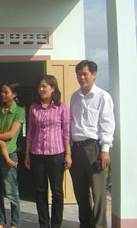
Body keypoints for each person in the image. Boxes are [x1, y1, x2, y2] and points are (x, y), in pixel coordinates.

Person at [69, 60, 115, 228]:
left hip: (94, 148)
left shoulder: (103, 96)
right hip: (77, 149)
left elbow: (107, 124)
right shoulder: (75, 96)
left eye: (85, 74)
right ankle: (85, 224)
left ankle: (100, 225)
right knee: (81, 193)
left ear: (94, 74)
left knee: (99, 192)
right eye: (79, 74)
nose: (81, 78)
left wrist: (105, 150)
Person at [24, 75, 72, 228]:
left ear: (53, 88)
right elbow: (30, 132)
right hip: (37, 154)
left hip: (56, 154)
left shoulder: (61, 107)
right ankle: (44, 224)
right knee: (40, 192)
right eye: (39, 86)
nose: (41, 89)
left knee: (57, 192)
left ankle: (56, 224)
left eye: (44, 86)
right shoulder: (33, 108)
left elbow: (66, 132)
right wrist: (27, 154)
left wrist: (68, 154)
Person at [0, 81, 25, 228]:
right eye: (2, 91)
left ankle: (15, 223)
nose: (2, 94)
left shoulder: (19, 111)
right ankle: (0, 222)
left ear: (14, 94)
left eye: (6, 92)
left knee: (12, 193)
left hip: (9, 155)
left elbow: (10, 135)